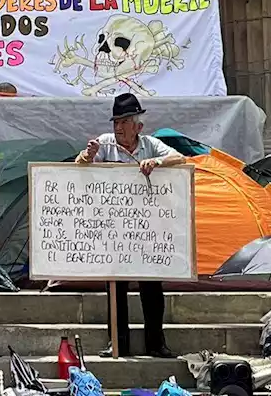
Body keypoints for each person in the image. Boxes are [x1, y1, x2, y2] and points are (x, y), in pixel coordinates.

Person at [76, 92, 185, 358]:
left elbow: (180, 159)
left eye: (124, 122)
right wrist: (88, 156)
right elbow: (78, 166)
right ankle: (117, 342)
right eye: (116, 122)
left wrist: (156, 162)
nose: (118, 127)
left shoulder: (150, 145)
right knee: (116, 287)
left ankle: (156, 342)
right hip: (114, 229)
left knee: (151, 288)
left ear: (138, 126)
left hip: (147, 229)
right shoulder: (104, 144)